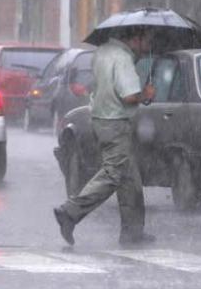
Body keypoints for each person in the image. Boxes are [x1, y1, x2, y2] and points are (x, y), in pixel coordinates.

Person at [53, 26, 156, 246]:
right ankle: (70, 212)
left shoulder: (103, 52)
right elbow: (129, 96)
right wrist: (145, 94)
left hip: (101, 120)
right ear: (135, 39)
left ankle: (132, 232)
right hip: (116, 123)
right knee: (113, 174)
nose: (147, 47)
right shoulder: (123, 59)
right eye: (146, 42)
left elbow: (106, 85)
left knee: (130, 179)